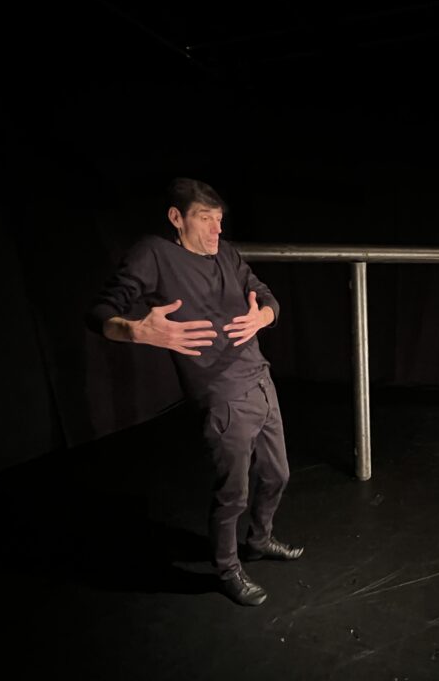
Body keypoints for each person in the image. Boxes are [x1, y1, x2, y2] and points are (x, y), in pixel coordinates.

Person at [84, 177, 303, 606]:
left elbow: (265, 295)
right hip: (223, 395)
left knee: (278, 474)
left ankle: (260, 540)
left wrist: (263, 317)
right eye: (205, 219)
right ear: (176, 217)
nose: (216, 230)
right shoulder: (154, 253)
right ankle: (227, 569)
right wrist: (135, 330)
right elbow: (100, 311)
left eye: (219, 219)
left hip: (260, 379)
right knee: (233, 493)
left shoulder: (227, 253)